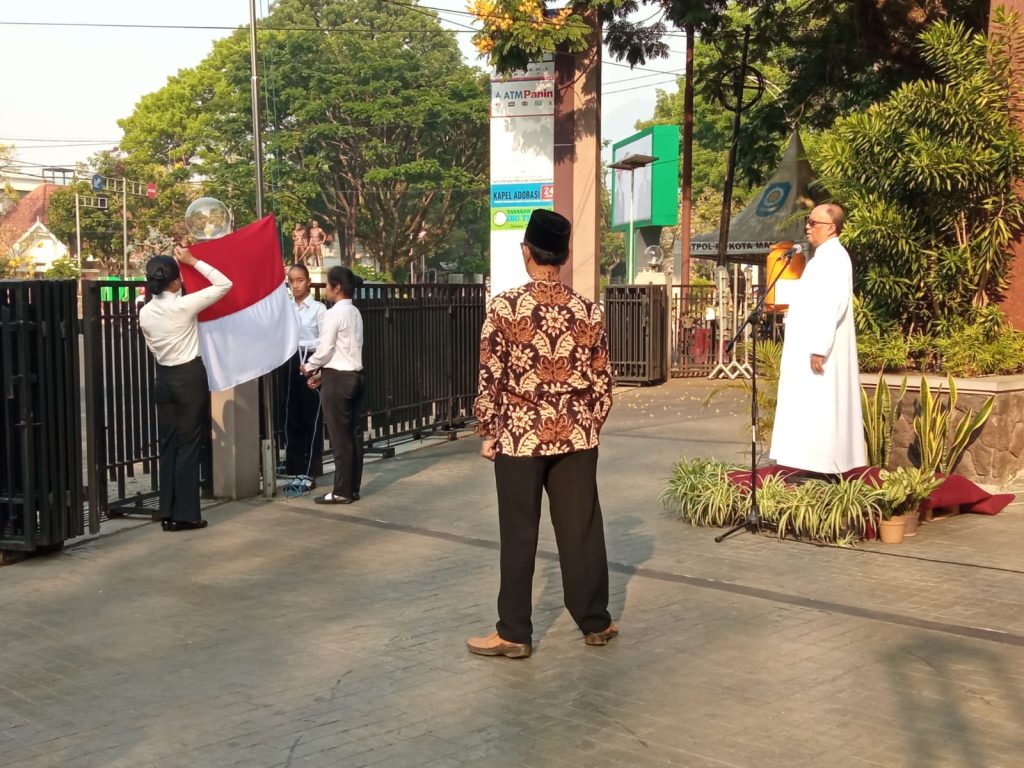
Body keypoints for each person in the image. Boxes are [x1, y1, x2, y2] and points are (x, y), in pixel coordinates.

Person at [467, 209, 616, 660]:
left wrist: (487, 429)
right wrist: (588, 424)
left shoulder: (505, 307)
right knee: (581, 531)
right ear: (565, 256)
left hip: (519, 437)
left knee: (518, 532)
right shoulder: (589, 311)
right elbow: (603, 383)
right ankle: (596, 622)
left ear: (526, 252)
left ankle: (514, 632)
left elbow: (491, 374)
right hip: (576, 437)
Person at [139, 245, 232, 531]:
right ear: (176, 281)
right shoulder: (183, 305)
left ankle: (166, 510)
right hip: (189, 376)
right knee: (189, 446)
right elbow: (224, 284)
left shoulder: (145, 311)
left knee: (168, 445)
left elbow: (152, 347)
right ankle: (186, 515)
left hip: (163, 377)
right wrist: (194, 261)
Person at [769, 203, 866, 474]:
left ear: (831, 228)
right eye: (809, 222)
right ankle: (809, 461)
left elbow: (831, 305)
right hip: (811, 343)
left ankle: (823, 463)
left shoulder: (834, 257)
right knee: (811, 405)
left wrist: (819, 347)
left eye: (813, 223)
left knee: (822, 406)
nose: (807, 227)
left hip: (821, 349)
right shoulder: (823, 256)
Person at [301, 266, 365, 504]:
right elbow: (346, 349)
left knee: (339, 438)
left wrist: (310, 366)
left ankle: (340, 491)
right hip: (354, 375)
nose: (326, 289)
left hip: (338, 379)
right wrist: (322, 374)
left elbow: (326, 349)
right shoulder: (355, 312)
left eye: (328, 285)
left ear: (337, 287)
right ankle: (352, 488)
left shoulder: (333, 314)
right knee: (353, 435)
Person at [283, 264, 327, 481]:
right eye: (292, 281)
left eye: (300, 280)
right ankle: (293, 465)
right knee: (293, 414)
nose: (296, 285)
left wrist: (303, 343)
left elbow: (325, 338)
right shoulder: (287, 307)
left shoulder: (318, 308)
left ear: (308, 281)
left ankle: (312, 467)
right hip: (292, 360)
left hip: (311, 359)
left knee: (312, 414)